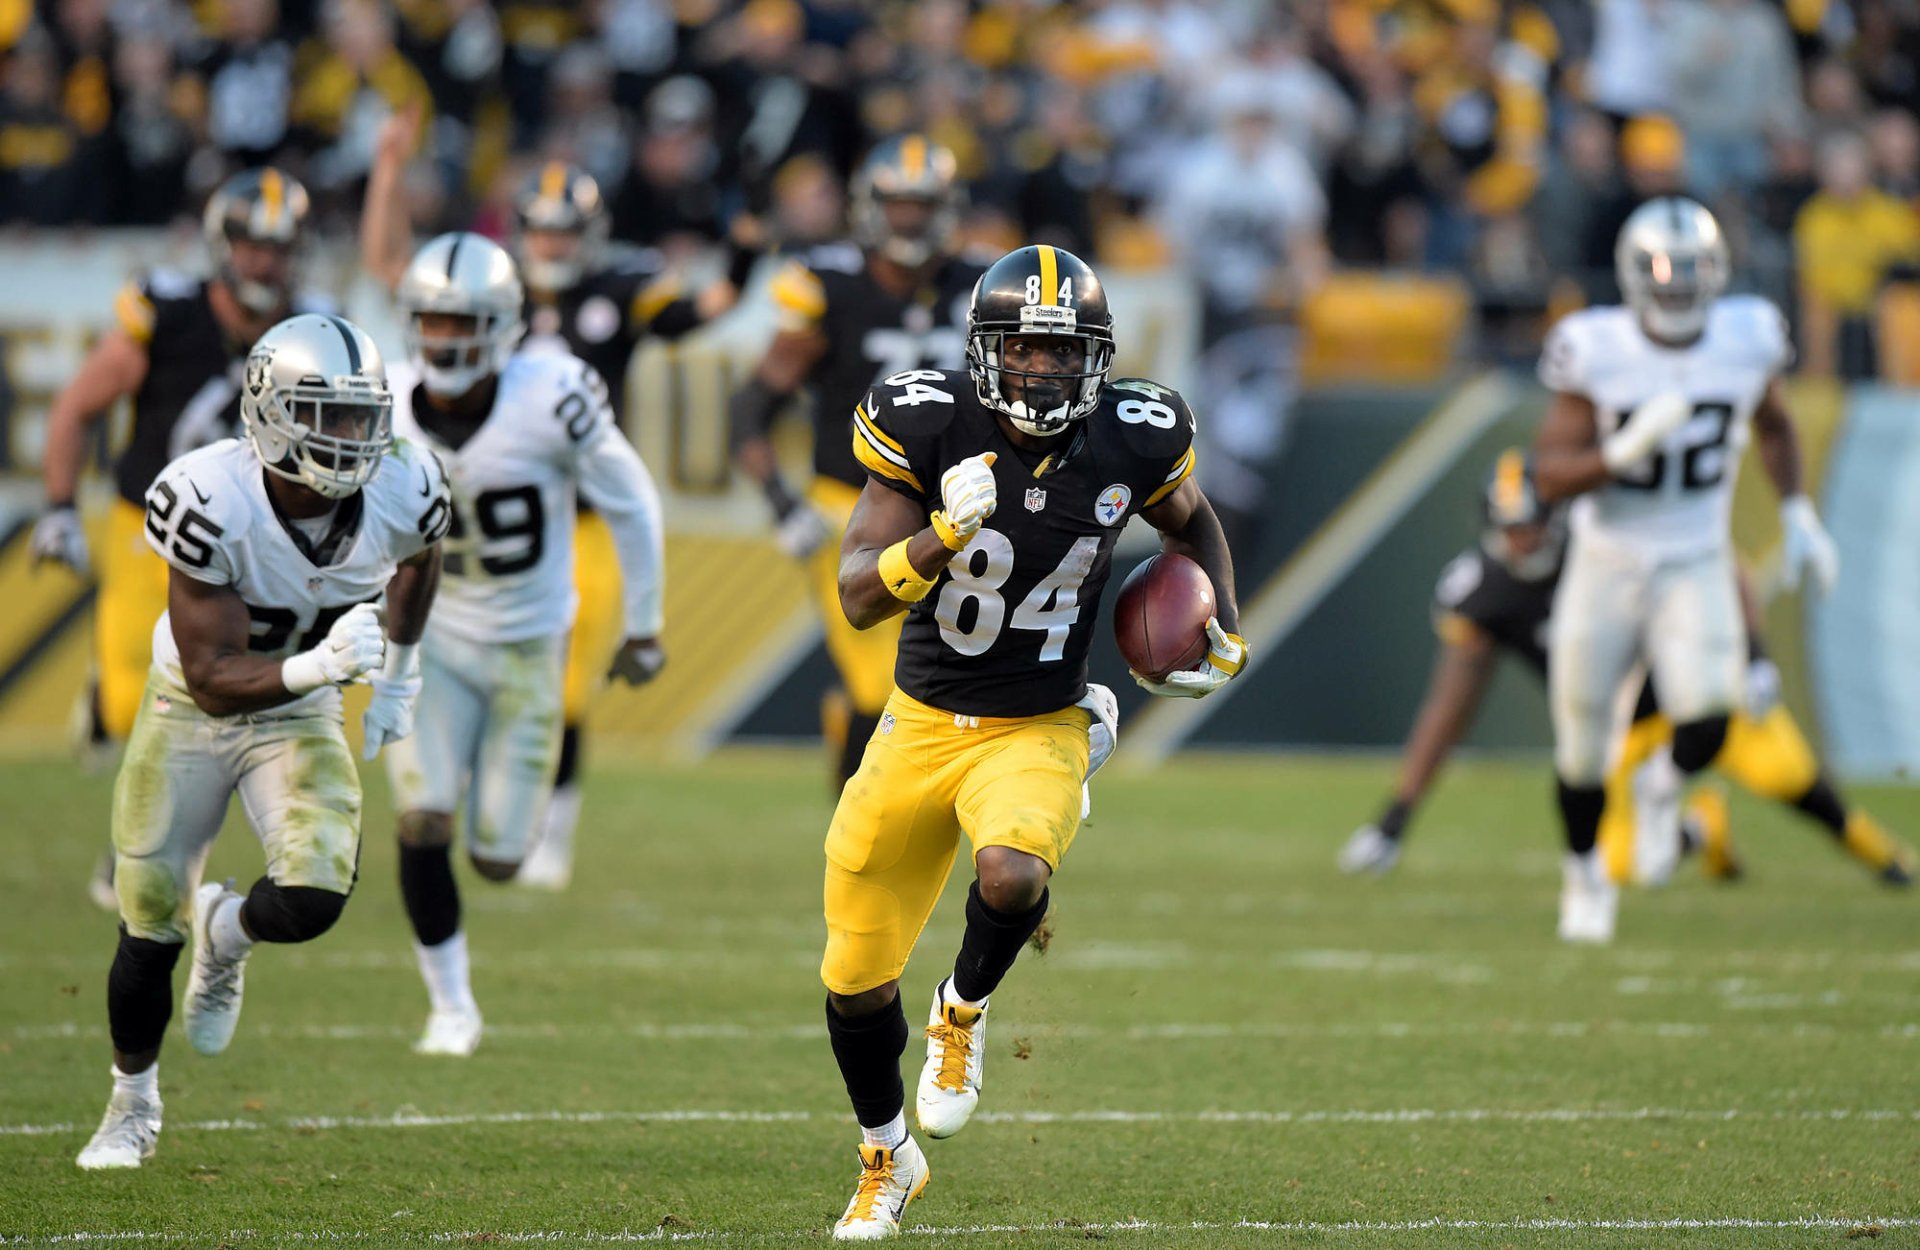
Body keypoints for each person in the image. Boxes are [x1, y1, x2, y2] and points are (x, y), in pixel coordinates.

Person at [820, 245, 1245, 1238]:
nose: (1042, 371)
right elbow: (852, 594)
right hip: (919, 721)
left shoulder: (1136, 434)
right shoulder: (924, 420)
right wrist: (934, 539)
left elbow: (1193, 522)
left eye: (1062, 354)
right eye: (1023, 349)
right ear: (984, 351)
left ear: (1095, 359)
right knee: (851, 981)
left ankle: (961, 1008)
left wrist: (1222, 612)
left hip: (1035, 718)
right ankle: (888, 1155)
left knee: (1010, 872)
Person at [75, 313, 447, 1169]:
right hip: (191, 710)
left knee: (315, 896)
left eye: (361, 414)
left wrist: (404, 671)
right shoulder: (207, 497)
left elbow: (426, 556)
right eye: (327, 414)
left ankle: (230, 930)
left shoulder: (405, 483)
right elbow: (210, 673)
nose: (352, 438)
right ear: (271, 411)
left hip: (300, 710)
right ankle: (130, 1106)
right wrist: (321, 667)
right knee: (148, 928)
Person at [1338, 449, 1914, 886]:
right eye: (1511, 528)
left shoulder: (1610, 540)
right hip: (1624, 735)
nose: (1524, 539)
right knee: (1619, 865)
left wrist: (1757, 657)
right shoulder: (1486, 594)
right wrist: (1396, 817)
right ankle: (1698, 830)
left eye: (1533, 523)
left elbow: (1719, 560)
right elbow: (1450, 707)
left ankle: (1888, 860)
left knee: (1795, 782)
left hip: (1702, 699)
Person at [383, 232, 668, 1057]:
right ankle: (450, 1005)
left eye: (461, 321)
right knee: (420, 818)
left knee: (502, 860)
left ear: (504, 324)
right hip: (430, 640)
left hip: (529, 650)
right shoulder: (386, 400)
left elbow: (631, 500)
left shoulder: (553, 391)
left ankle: (487, 803)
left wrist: (645, 624)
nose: (443, 340)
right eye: (431, 322)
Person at [1532, 197, 1843, 943]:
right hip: (1606, 560)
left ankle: (1662, 784)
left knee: (1710, 711)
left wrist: (1798, 509)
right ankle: (1584, 877)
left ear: (1719, 271)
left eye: (1692, 268)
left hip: (1696, 555)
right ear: (1632, 272)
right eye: (1662, 268)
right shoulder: (1594, 346)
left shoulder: (1747, 334)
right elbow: (1545, 476)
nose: (1675, 283)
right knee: (1579, 743)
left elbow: (1772, 424)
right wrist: (1620, 454)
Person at [32, 167, 326, 911]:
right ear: (224, 246)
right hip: (150, 530)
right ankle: (106, 712)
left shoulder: (311, 330)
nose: (266, 262)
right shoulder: (166, 312)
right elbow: (75, 408)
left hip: (256, 542)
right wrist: (61, 505)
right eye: (253, 245)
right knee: (137, 697)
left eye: (280, 247)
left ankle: (136, 849)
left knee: (214, 701)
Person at [730, 134, 985, 791]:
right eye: (898, 205)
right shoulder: (827, 283)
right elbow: (751, 407)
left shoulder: (979, 284)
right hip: (856, 502)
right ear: (871, 207)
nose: (909, 220)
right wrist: (784, 504)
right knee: (880, 679)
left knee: (955, 676)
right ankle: (857, 823)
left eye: (921, 205)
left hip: (957, 507)